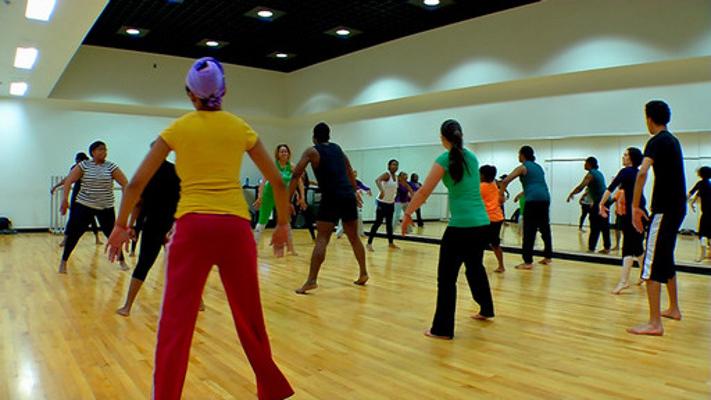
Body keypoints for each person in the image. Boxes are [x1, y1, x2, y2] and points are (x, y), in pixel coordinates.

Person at [105, 57, 294, 398]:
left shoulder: (177, 129)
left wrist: (121, 226)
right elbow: (278, 183)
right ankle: (272, 389)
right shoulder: (240, 127)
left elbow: (135, 184)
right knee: (250, 318)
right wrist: (282, 224)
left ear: (189, 94)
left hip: (192, 230)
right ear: (224, 91)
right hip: (235, 230)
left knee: (176, 323)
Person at [402, 119, 494, 339]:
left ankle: (442, 329)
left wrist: (407, 214)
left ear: (443, 138)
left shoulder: (444, 159)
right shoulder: (471, 156)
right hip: (481, 224)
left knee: (446, 278)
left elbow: (424, 191)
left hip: (461, 227)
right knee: (474, 267)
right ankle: (486, 308)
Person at [288, 122, 369, 294]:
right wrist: (355, 191)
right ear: (329, 135)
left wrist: (286, 199)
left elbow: (296, 174)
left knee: (322, 239)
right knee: (354, 237)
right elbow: (348, 169)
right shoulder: (337, 148)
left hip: (331, 196)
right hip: (347, 195)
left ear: (314, 137)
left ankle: (311, 281)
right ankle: (363, 273)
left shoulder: (312, 151)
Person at [628, 100, 686, 336]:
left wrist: (634, 206)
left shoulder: (655, 141)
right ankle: (673, 308)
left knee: (651, 262)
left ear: (649, 118)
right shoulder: (673, 140)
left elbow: (642, 172)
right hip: (677, 208)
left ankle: (654, 323)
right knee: (665, 257)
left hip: (664, 210)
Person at [116, 144, 181, 316]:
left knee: (179, 264)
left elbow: (183, 202)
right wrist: (131, 225)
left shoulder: (176, 172)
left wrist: (175, 226)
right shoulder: (147, 173)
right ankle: (128, 305)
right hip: (152, 224)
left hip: (169, 224)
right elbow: (139, 202)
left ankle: (199, 302)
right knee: (145, 262)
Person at [58, 141, 129, 273]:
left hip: (105, 207)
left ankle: (122, 260)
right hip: (84, 206)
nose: (104, 152)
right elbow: (68, 181)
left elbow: (126, 184)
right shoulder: (84, 165)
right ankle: (63, 261)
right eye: (100, 149)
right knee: (74, 234)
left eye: (105, 149)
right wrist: (65, 200)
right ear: (93, 152)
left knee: (112, 235)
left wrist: (125, 203)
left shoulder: (111, 167)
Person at [599, 147, 646, 294]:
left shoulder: (625, 171)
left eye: (625, 155)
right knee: (637, 246)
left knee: (629, 247)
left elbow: (610, 188)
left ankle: (624, 281)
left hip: (632, 214)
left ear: (631, 158)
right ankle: (646, 274)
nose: (623, 157)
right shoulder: (637, 172)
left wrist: (601, 203)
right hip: (640, 210)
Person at [499, 146, 553, 269]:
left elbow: (505, 180)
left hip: (533, 201)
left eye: (519, 154)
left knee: (529, 230)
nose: (518, 157)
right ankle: (548, 257)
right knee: (545, 228)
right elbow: (534, 184)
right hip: (545, 198)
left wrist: (500, 194)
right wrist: (520, 194)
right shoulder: (538, 167)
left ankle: (527, 262)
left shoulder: (523, 167)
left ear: (523, 155)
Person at [253, 144, 305, 255]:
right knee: (262, 221)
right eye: (281, 151)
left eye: (285, 151)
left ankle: (291, 249)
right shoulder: (272, 165)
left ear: (288, 153)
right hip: (269, 194)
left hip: (282, 196)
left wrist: (302, 197)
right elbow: (263, 182)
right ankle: (252, 249)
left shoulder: (291, 166)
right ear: (278, 154)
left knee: (286, 221)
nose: (284, 153)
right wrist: (260, 196)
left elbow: (299, 182)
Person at [51, 152, 102, 246]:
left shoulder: (89, 167)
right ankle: (65, 239)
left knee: (91, 218)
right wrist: (56, 186)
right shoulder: (75, 168)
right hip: (77, 194)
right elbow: (67, 179)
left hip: (87, 195)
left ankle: (97, 238)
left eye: (78, 160)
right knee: (72, 218)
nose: (78, 162)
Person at [567, 157, 611, 254]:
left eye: (585, 163)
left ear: (589, 164)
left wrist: (572, 193)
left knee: (595, 224)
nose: (584, 165)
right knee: (604, 225)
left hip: (600, 202)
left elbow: (581, 186)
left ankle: (591, 248)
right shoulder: (598, 173)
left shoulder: (591, 174)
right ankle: (607, 247)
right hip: (605, 200)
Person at [367, 159, 400, 251]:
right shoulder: (387, 175)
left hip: (390, 203)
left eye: (396, 165)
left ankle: (391, 243)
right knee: (378, 223)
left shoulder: (396, 177)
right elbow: (377, 180)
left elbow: (397, 188)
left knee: (389, 224)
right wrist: (381, 191)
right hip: (382, 203)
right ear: (389, 166)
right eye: (393, 164)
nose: (395, 166)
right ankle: (369, 243)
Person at [479, 165, 506, 272]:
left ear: (483, 175)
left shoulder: (481, 187)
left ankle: (478, 266)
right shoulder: (494, 185)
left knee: (479, 244)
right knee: (495, 244)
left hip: (487, 219)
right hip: (497, 218)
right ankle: (501, 266)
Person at [336, 169, 371, 238]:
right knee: (343, 218)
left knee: (359, 216)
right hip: (346, 201)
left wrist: (368, 190)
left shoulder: (357, 181)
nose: (355, 175)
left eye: (355, 173)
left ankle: (361, 233)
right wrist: (358, 192)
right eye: (353, 173)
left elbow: (363, 187)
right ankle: (339, 233)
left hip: (354, 202)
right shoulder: (345, 181)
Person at [689, 166, 711, 262]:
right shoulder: (708, 184)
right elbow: (698, 194)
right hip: (708, 213)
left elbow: (691, 193)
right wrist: (692, 202)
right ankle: (708, 254)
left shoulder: (700, 184)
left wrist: (687, 201)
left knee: (702, 234)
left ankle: (702, 256)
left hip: (707, 214)